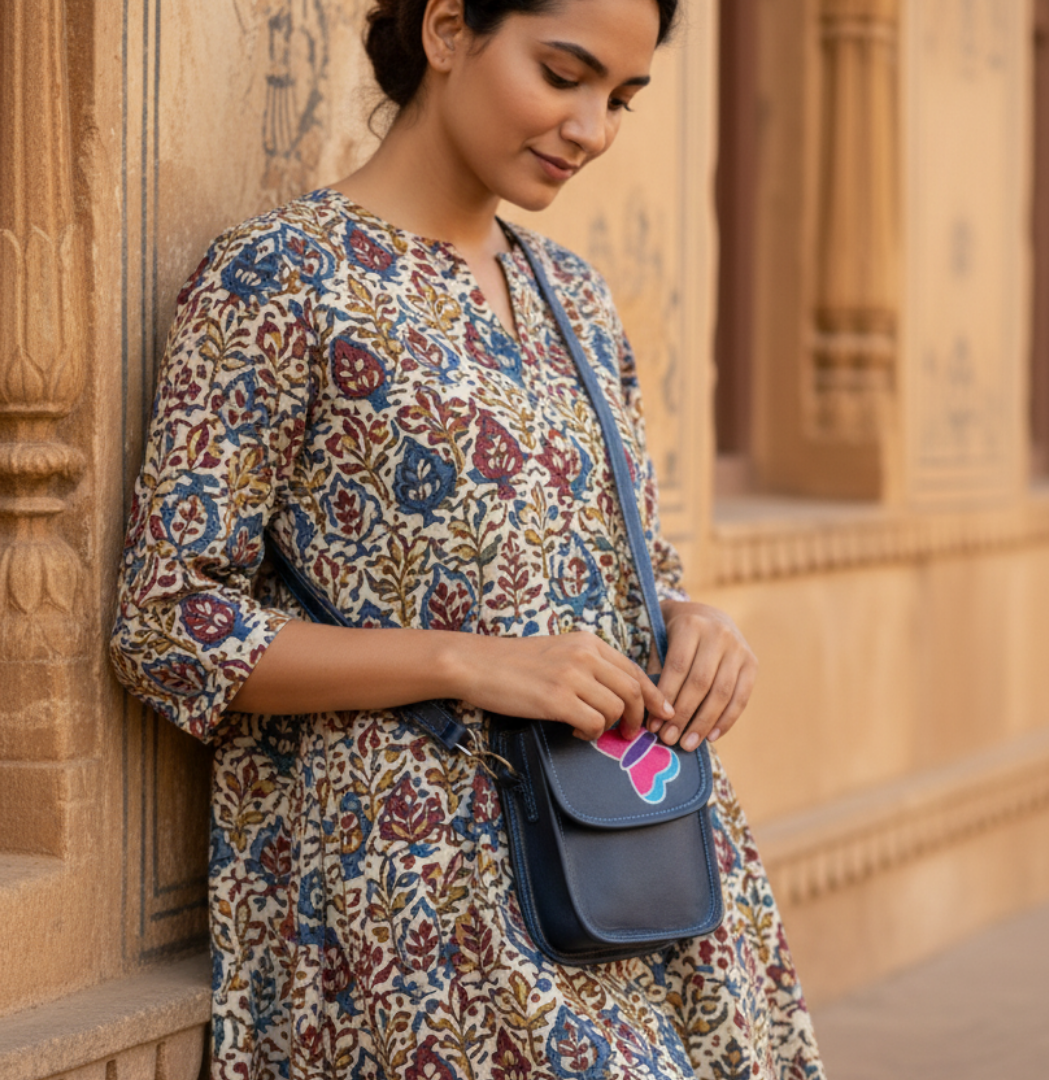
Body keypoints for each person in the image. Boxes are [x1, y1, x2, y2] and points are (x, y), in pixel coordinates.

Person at [111, 0, 827, 1075]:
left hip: (635, 860)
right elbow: (168, 624)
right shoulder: (280, 278)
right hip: (419, 885)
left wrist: (695, 621)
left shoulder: (573, 295)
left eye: (620, 99)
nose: (591, 127)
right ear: (448, 30)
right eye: (564, 73)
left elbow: (626, 561)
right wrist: (467, 662)